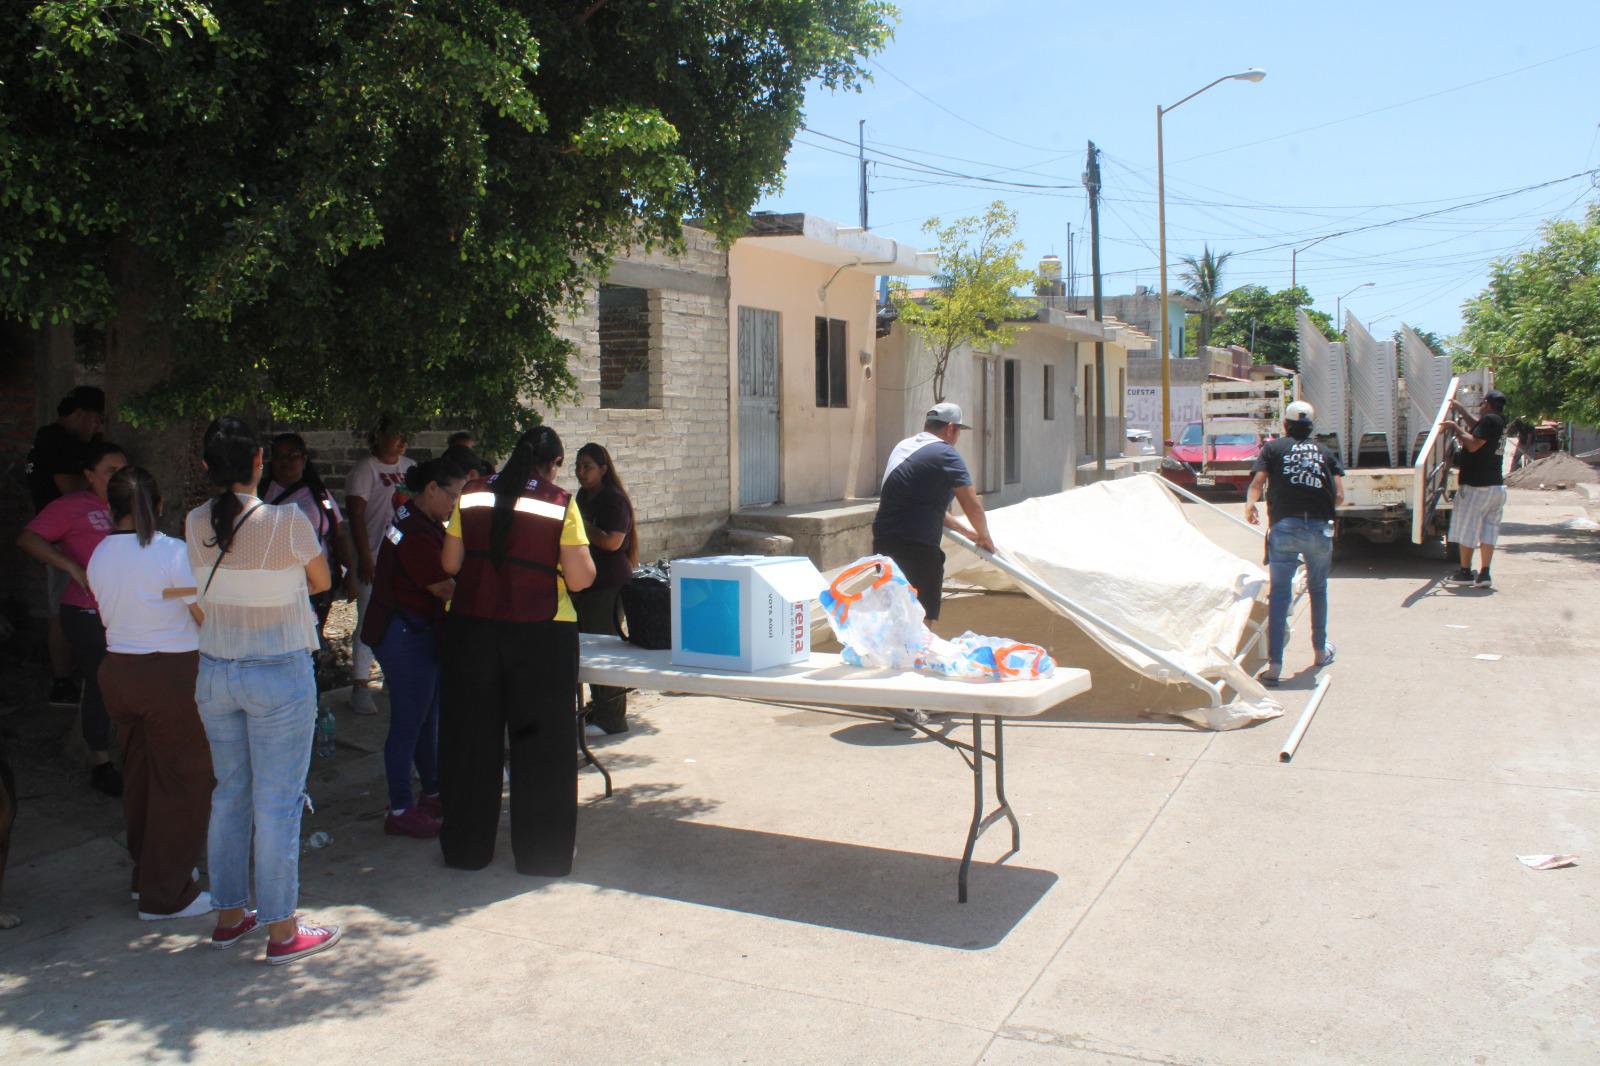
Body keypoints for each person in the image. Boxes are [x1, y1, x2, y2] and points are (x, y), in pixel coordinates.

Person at [186, 416, 341, 965]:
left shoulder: (193, 520)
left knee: (230, 794)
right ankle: (282, 933)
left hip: (216, 670)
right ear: (259, 463)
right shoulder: (288, 521)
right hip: (278, 671)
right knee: (278, 804)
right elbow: (322, 582)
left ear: (207, 467)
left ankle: (230, 918)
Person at [439, 426, 595, 876]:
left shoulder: (471, 494)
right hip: (541, 632)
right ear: (554, 464)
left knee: (470, 742)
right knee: (542, 748)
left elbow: (450, 563)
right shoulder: (559, 502)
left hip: (472, 629)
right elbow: (582, 578)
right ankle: (542, 856)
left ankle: (466, 850)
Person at [89, 467, 213, 920]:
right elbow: (201, 613)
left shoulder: (99, 553)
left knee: (140, 779)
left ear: (109, 510)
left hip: (119, 673)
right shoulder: (173, 554)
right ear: (159, 506)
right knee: (184, 782)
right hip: (171, 676)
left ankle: (148, 877)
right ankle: (168, 894)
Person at [872, 403, 995, 730]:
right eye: (958, 433)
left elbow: (927, 507)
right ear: (952, 429)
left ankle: (910, 694)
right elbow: (973, 503)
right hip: (916, 549)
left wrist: (964, 531)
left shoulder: (905, 448)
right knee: (919, 624)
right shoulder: (945, 455)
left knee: (899, 621)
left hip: (886, 544)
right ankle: (907, 704)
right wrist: (984, 537)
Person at [361, 458, 466, 839]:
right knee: (409, 722)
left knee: (426, 717)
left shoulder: (411, 518)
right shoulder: (418, 533)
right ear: (432, 489)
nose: (455, 504)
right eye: (452, 495)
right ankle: (401, 807)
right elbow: (444, 588)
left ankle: (432, 792)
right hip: (404, 636)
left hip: (412, 632)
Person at [18, 441, 128, 795]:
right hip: (86, 610)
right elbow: (28, 539)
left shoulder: (131, 506)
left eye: (122, 471)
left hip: (129, 611)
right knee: (102, 680)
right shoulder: (72, 506)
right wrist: (70, 567)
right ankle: (101, 761)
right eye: (110, 471)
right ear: (89, 475)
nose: (118, 477)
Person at [1245, 400, 1345, 687]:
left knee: (1279, 595)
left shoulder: (1274, 449)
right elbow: (1339, 495)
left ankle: (1274, 666)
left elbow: (1257, 482)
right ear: (1311, 426)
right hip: (1319, 528)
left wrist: (1251, 505)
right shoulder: (1325, 452)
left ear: (1285, 425)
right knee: (1318, 589)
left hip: (1284, 527)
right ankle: (1319, 650)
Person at [25, 385, 105, 707]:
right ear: (80, 415)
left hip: (70, 537)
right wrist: (98, 476)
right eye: (96, 419)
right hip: (60, 540)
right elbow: (67, 485)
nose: (97, 427)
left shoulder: (61, 440)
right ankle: (61, 683)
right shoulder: (55, 439)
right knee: (61, 610)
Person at [345, 417, 416, 714]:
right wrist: (364, 557)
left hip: (403, 559)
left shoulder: (410, 467)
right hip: (375, 555)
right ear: (379, 437)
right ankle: (360, 684)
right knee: (369, 619)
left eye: (404, 437)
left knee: (402, 620)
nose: (401, 442)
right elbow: (356, 517)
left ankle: (392, 677)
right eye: (395, 436)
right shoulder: (366, 469)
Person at [261, 433, 356, 643]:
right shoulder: (261, 494)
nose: (285, 462)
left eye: (292, 455)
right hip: (275, 588)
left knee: (311, 641)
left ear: (304, 459)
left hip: (316, 586)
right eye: (279, 456)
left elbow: (338, 534)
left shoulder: (320, 495)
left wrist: (349, 573)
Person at [571, 443, 637, 736]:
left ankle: (612, 718)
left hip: (608, 586)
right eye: (578, 466)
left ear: (603, 469)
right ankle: (596, 710)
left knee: (605, 652)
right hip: (585, 584)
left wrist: (582, 525)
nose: (581, 472)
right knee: (588, 652)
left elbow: (611, 542)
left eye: (588, 466)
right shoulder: (583, 496)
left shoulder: (614, 499)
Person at [1446, 389, 1509, 589]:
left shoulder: (1490, 420)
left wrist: (1455, 428)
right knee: (1489, 531)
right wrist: (1462, 411)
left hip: (1477, 487)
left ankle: (1465, 572)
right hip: (1496, 487)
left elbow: (1473, 444)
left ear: (1487, 403)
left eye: (1482, 404)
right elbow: (1477, 429)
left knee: (1468, 529)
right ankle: (1484, 573)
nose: (1481, 407)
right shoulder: (1498, 422)